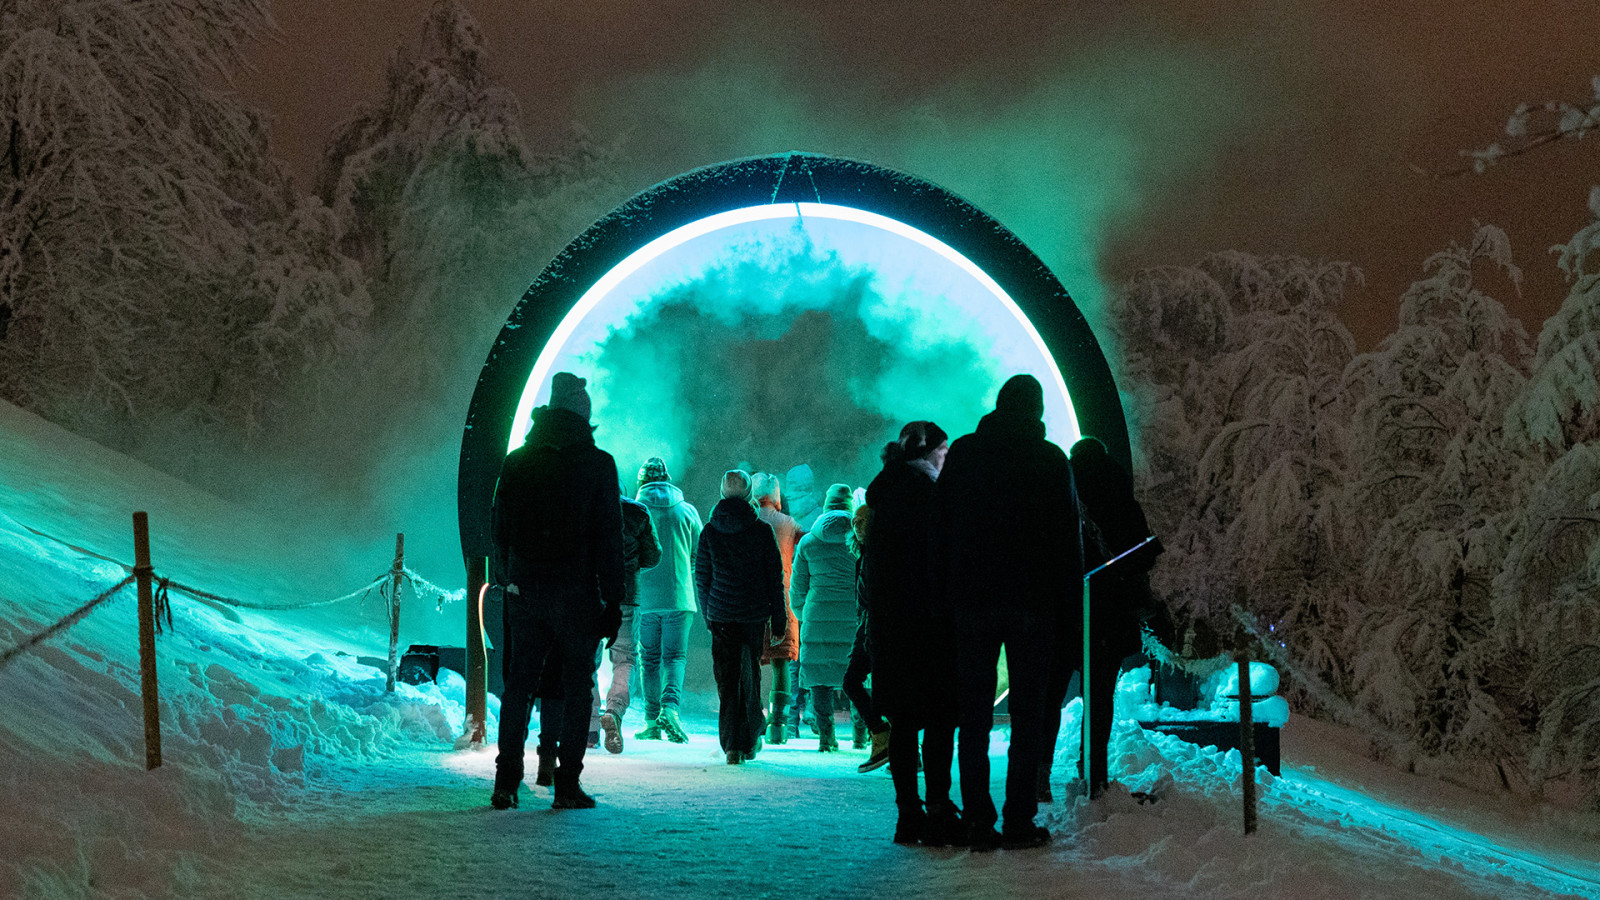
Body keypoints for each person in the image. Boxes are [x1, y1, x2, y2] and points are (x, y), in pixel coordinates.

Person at [939, 374, 1083, 850]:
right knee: (1027, 715)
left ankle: (978, 817)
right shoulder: (1050, 460)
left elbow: (941, 527)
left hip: (972, 601)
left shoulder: (964, 453)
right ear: (1036, 409)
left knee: (973, 714)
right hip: (1032, 603)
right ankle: (1019, 819)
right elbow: (1068, 544)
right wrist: (1068, 609)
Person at [489, 372, 625, 811]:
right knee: (575, 685)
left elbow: (500, 528)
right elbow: (609, 537)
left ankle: (506, 781)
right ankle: (567, 784)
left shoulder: (518, 461)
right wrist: (614, 599)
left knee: (519, 685)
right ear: (584, 415)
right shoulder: (599, 465)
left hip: (526, 589)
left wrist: (508, 577)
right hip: (579, 592)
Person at [864, 421, 963, 846]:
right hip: (932, 625)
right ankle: (939, 809)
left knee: (903, 724)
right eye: (942, 452)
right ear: (928, 454)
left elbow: (871, 575)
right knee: (940, 721)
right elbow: (946, 563)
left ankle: (908, 816)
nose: (946, 459)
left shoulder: (882, 499)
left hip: (890, 630)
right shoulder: (933, 497)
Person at [1050, 436, 1165, 798]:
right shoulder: (1119, 498)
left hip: (1064, 611)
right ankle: (1094, 771)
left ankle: (1038, 772)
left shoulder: (1062, 497)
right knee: (1099, 698)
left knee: (1050, 695)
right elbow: (1143, 555)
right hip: (1110, 614)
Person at [533, 491, 659, 774]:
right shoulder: (637, 513)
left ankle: (590, 730)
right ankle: (614, 711)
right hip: (627, 596)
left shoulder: (585, 505)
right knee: (625, 659)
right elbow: (653, 556)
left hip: (591, 596)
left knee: (587, 661)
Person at [696, 470, 787, 764]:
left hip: (721, 614)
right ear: (749, 495)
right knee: (750, 676)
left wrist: (709, 612)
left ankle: (732, 746)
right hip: (753, 614)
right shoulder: (761, 530)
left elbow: (702, 578)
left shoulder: (710, 531)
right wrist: (779, 618)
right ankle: (749, 740)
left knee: (726, 679)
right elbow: (774, 577)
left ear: (722, 492)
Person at [633, 457, 703, 744]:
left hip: (644, 599)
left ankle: (651, 721)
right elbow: (701, 552)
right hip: (679, 597)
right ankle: (670, 710)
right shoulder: (687, 511)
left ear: (642, 482)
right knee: (675, 657)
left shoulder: (636, 511)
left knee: (648, 659)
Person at [790, 483, 859, 752]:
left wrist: (804, 616)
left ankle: (826, 737)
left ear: (828, 505)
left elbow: (798, 589)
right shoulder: (859, 540)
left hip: (817, 615)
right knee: (857, 675)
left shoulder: (808, 542)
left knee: (819, 679)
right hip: (853, 616)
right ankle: (861, 735)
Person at [752, 472, 802, 744]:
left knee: (753, 662)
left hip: (753, 600)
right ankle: (778, 727)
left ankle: (755, 719)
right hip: (785, 598)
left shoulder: (748, 521)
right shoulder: (790, 524)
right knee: (782, 663)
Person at [844, 502, 890, 772]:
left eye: (862, 521)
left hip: (878, 628)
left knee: (859, 682)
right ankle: (887, 739)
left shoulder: (878, 554)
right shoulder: (865, 553)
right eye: (854, 521)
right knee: (855, 681)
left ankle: (885, 739)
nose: (857, 526)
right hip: (869, 626)